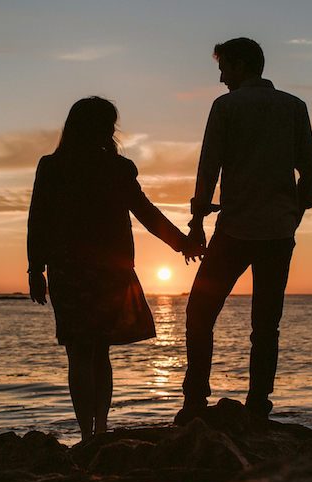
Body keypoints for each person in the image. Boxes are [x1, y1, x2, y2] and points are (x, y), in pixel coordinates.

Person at [27, 96, 194, 440]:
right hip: (108, 269)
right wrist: (182, 243)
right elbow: (146, 213)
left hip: (68, 267)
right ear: (104, 128)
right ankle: (100, 429)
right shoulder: (116, 168)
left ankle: (88, 435)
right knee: (99, 350)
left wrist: (35, 269)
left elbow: (38, 221)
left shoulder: (53, 166)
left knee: (79, 352)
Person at [178, 37, 312, 421]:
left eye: (224, 68)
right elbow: (310, 168)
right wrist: (295, 213)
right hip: (278, 232)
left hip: (235, 230)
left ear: (240, 65)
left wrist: (196, 223)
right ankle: (258, 403)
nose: (222, 78)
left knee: (199, 314)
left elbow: (209, 168)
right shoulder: (294, 107)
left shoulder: (226, 107)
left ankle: (195, 401)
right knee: (266, 324)